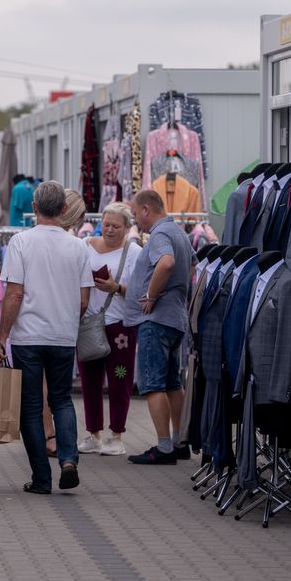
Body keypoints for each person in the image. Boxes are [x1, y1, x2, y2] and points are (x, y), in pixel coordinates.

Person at [0, 181, 92, 494]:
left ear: (34, 209)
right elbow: (85, 299)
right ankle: (68, 460)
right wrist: (66, 321)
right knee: (62, 400)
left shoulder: (21, 243)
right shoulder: (78, 246)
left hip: (28, 337)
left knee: (32, 406)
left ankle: (41, 478)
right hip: (63, 336)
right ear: (64, 210)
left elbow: (14, 293)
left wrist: (1, 337)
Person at [126, 189, 194, 465]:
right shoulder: (180, 233)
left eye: (134, 214)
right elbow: (191, 269)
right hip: (174, 318)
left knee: (153, 385)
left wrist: (152, 296)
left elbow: (166, 263)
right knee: (171, 383)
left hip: (156, 320)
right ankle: (179, 441)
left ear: (146, 210)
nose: (135, 221)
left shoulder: (160, 234)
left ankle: (164, 447)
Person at [77, 202, 143, 457]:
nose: (110, 230)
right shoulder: (86, 246)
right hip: (89, 324)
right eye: (106, 225)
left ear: (128, 228)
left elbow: (141, 291)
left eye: (116, 226)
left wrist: (116, 288)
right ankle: (93, 433)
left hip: (120, 327)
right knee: (89, 380)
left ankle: (117, 434)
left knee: (119, 381)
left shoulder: (134, 252)